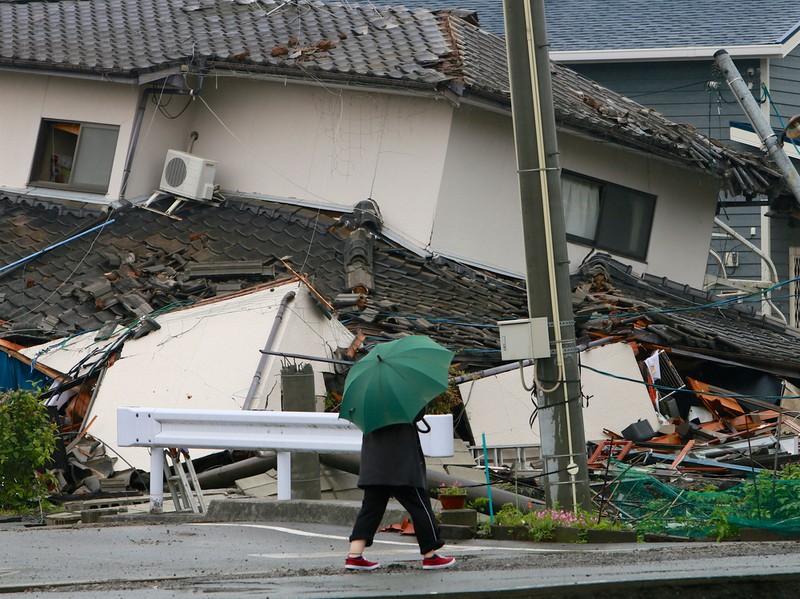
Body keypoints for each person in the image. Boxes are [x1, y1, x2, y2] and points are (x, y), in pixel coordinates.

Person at [345, 419, 456, 571]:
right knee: (420, 506)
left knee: (370, 509)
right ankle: (431, 555)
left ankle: (354, 555)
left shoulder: (368, 406)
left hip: (374, 466)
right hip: (401, 465)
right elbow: (418, 412)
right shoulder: (400, 402)